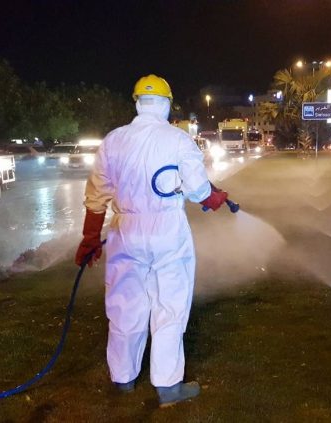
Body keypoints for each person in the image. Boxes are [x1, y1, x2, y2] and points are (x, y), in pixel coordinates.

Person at [74, 74, 228, 408]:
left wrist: (89, 239)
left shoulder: (113, 141)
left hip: (125, 228)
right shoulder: (178, 140)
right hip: (167, 229)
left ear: (137, 103)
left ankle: (123, 378)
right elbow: (199, 190)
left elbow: (96, 196)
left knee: (125, 304)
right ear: (167, 104)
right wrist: (211, 198)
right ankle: (168, 387)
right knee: (169, 305)